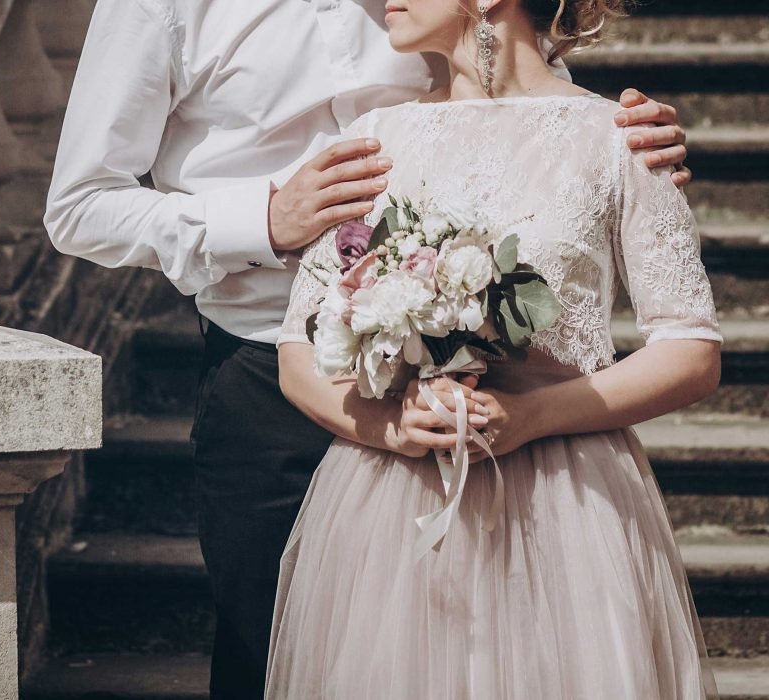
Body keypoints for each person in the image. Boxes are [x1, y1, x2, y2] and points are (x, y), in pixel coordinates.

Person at [43, 2, 693, 697]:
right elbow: (79, 205)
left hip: (483, 386)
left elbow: (504, 74)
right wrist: (261, 220)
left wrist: (616, 137)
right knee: (271, 666)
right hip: (273, 378)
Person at [268, 0, 722, 698]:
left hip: (567, 501)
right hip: (395, 503)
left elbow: (690, 347)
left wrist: (533, 417)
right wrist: (392, 424)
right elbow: (297, 354)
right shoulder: (371, 141)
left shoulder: (620, 137)